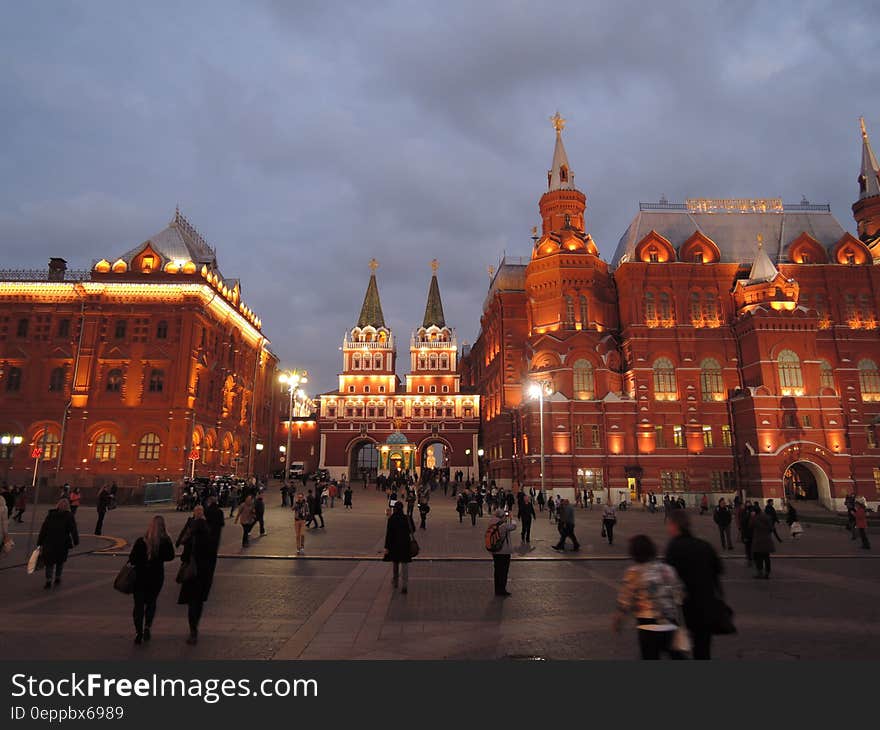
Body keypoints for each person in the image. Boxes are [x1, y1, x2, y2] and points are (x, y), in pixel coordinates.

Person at [613, 534, 684, 660]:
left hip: (648, 625)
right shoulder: (667, 569)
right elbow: (679, 595)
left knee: (650, 656)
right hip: (670, 622)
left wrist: (618, 620)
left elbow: (625, 601)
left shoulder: (634, 572)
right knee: (677, 656)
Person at [664, 510, 724, 660]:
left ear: (675, 526)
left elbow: (667, 580)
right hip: (707, 606)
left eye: (669, 525)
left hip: (685, 609)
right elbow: (718, 570)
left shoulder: (674, 547)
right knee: (703, 650)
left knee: (675, 647)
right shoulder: (704, 545)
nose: (668, 528)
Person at [128, 515, 175, 644]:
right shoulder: (165, 541)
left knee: (138, 605)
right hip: (156, 576)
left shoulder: (141, 541)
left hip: (140, 576)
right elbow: (171, 556)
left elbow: (132, 559)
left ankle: (138, 632)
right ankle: (147, 626)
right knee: (151, 602)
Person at [177, 505, 218, 645]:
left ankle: (192, 629)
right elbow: (212, 556)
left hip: (191, 572)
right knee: (198, 602)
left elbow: (181, 546)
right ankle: (194, 627)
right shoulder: (208, 536)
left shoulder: (191, 537)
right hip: (203, 572)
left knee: (192, 602)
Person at [37, 498, 79, 589]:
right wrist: (76, 541)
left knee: (49, 562)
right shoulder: (69, 516)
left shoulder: (51, 515)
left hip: (49, 542)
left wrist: (40, 542)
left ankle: (48, 579)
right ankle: (57, 577)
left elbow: (44, 529)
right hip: (62, 543)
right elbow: (73, 529)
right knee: (60, 561)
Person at [384, 501, 414, 594]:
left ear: (395, 509)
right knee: (405, 565)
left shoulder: (392, 519)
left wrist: (386, 547)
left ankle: (395, 581)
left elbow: (388, 534)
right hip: (405, 544)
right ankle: (405, 584)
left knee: (395, 563)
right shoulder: (407, 518)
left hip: (394, 544)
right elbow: (413, 529)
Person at [488, 508, 517, 597]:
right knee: (504, 571)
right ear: (502, 516)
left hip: (495, 551)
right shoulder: (503, 525)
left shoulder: (492, 523)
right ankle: (502, 589)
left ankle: (497, 589)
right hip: (504, 551)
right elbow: (513, 526)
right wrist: (512, 518)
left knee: (497, 571)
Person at [750, 507, 775, 579]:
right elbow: (772, 528)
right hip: (767, 540)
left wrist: (752, 517)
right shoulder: (767, 517)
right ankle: (767, 573)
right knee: (766, 557)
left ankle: (760, 572)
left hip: (758, 540)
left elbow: (750, 525)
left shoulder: (755, 518)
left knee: (758, 558)